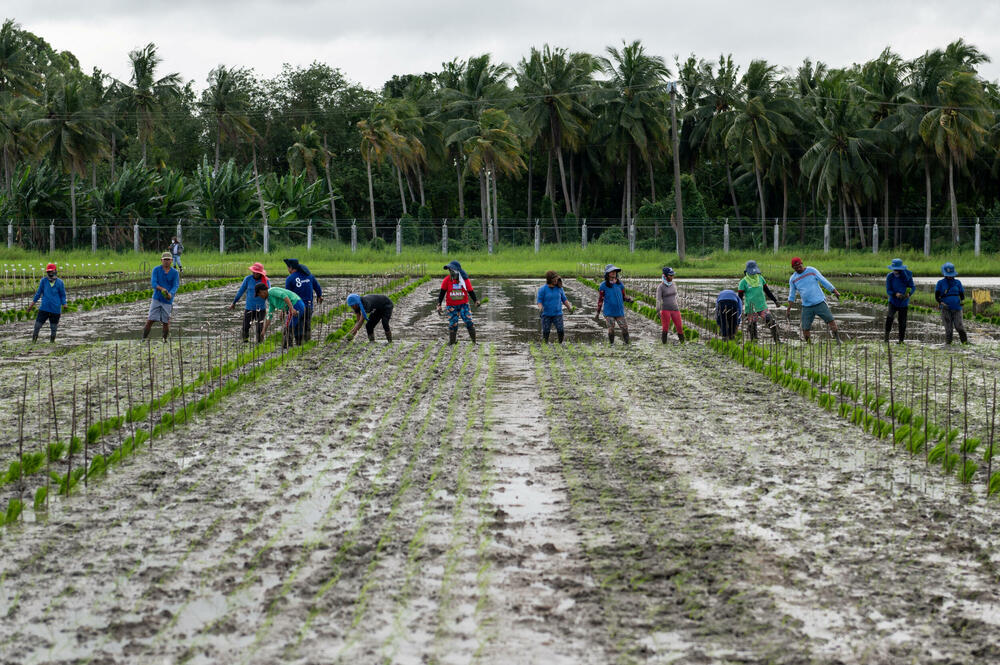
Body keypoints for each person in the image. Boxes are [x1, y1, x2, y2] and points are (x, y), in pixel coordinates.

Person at [785, 257, 842, 344]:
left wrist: (834, 291)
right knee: (805, 328)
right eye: (795, 267)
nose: (798, 268)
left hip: (819, 302)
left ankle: (838, 339)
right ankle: (809, 344)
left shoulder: (811, 271)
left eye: (799, 266)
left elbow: (823, 281)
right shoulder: (793, 279)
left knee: (831, 321)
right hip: (807, 306)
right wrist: (788, 309)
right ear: (793, 268)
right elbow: (792, 295)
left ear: (802, 263)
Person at [738, 260, 781, 343]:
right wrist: (738, 308)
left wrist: (775, 301)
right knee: (752, 326)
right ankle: (754, 342)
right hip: (750, 308)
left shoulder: (760, 278)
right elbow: (740, 297)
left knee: (771, 322)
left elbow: (767, 291)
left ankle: (777, 341)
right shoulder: (743, 282)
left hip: (762, 306)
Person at [437, 260, 480, 344]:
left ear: (457, 271)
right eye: (449, 271)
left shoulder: (464, 280)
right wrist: (439, 304)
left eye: (452, 270)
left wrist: (476, 301)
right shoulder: (447, 280)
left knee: (469, 321)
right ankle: (452, 342)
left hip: (464, 305)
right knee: (453, 324)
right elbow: (442, 293)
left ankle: (474, 342)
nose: (450, 272)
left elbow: (470, 291)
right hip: (451, 306)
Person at [283, 258, 323, 343]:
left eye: (288, 268)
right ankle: (306, 343)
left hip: (297, 306)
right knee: (306, 324)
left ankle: (296, 343)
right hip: (308, 306)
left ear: (290, 268)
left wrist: (286, 308)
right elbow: (317, 287)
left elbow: (287, 295)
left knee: (296, 325)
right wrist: (319, 296)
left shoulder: (290, 279)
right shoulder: (309, 275)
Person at [144, 252, 179, 341]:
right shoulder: (156, 270)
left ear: (171, 260)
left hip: (167, 300)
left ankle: (164, 340)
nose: (166, 261)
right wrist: (162, 289)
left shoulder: (175, 273)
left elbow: (175, 286)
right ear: (161, 260)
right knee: (150, 320)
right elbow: (154, 283)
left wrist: (170, 294)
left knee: (166, 322)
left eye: (168, 259)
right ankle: (143, 339)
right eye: (165, 260)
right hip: (157, 298)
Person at [257, 283, 305, 348]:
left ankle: (287, 348)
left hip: (296, 304)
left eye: (260, 295)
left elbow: (284, 296)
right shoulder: (270, 299)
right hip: (294, 306)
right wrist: (263, 331)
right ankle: (295, 346)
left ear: (263, 291)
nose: (260, 297)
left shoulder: (271, 291)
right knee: (293, 327)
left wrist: (291, 308)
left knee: (288, 327)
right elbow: (269, 316)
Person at [231, 262, 270, 343]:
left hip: (261, 308)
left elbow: (269, 293)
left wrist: (272, 305)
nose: (255, 273)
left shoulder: (265, 281)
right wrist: (234, 302)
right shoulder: (248, 279)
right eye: (254, 272)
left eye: (257, 272)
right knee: (245, 326)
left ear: (260, 273)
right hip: (249, 308)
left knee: (259, 327)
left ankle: (259, 342)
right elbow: (241, 291)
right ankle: (245, 341)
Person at [29, 263, 67, 343]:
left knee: (53, 327)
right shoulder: (44, 281)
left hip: (55, 308)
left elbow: (62, 295)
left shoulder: (60, 282)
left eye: (51, 271)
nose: (50, 273)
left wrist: (64, 304)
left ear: (55, 271)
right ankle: (33, 342)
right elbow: (38, 293)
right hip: (44, 307)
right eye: (48, 272)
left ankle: (52, 342)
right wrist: (32, 305)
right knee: (37, 325)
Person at [596, 264, 633, 345]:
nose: (613, 273)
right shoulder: (603, 286)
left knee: (625, 329)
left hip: (619, 312)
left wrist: (628, 299)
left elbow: (623, 297)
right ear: (607, 273)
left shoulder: (620, 284)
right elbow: (600, 300)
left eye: (615, 271)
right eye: (611, 271)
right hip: (609, 312)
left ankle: (628, 344)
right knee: (611, 329)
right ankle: (611, 344)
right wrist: (598, 312)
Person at [536, 270, 574, 343]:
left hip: (558, 314)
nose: (556, 281)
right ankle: (545, 346)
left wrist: (569, 308)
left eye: (557, 279)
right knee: (546, 332)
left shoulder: (559, 288)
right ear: (550, 280)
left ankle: (560, 344)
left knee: (561, 330)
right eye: (554, 279)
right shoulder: (542, 289)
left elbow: (564, 299)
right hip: (546, 315)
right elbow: (539, 301)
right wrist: (540, 308)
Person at [935, 262, 968, 345]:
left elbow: (962, 295)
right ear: (944, 274)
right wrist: (940, 302)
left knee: (959, 327)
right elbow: (937, 296)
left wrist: (963, 301)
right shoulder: (940, 283)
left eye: (951, 274)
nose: (950, 276)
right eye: (948, 274)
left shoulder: (958, 282)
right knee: (948, 329)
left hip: (957, 308)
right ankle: (948, 345)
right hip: (945, 309)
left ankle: (965, 343)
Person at [885, 258, 916, 344]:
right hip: (893, 301)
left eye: (897, 270)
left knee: (902, 322)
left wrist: (909, 294)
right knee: (890, 317)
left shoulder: (907, 276)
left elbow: (913, 287)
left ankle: (901, 341)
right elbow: (888, 290)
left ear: (901, 269)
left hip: (903, 302)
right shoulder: (890, 276)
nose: (895, 271)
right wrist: (895, 294)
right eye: (894, 269)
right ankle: (886, 338)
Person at [656, 266, 684, 344]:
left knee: (679, 327)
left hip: (675, 309)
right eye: (670, 275)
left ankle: (682, 343)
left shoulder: (673, 284)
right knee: (665, 328)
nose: (672, 277)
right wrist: (658, 311)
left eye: (673, 275)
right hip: (665, 310)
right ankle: (664, 344)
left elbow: (676, 296)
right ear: (665, 276)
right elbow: (658, 300)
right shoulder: (660, 287)